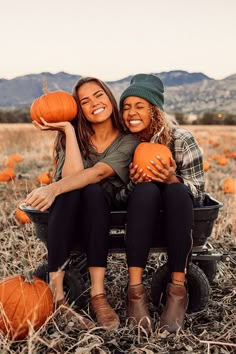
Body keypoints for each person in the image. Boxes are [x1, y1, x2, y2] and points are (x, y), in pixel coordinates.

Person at [25, 77, 140, 330]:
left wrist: (52, 188)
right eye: (85, 101)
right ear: (79, 109)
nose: (94, 103)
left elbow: (98, 173)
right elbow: (72, 177)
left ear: (109, 98)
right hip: (70, 211)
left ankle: (98, 296)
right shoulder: (75, 137)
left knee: (93, 192)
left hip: (100, 211)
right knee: (71, 191)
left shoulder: (128, 141)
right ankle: (58, 299)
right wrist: (68, 130)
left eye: (99, 95)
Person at [118, 73, 205, 334]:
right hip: (140, 213)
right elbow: (118, 197)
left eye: (139, 106)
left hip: (176, 213)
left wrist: (171, 179)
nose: (130, 113)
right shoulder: (125, 143)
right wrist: (133, 183)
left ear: (155, 109)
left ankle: (177, 291)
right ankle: (135, 294)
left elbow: (198, 192)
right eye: (125, 107)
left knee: (178, 192)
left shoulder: (181, 139)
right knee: (144, 191)